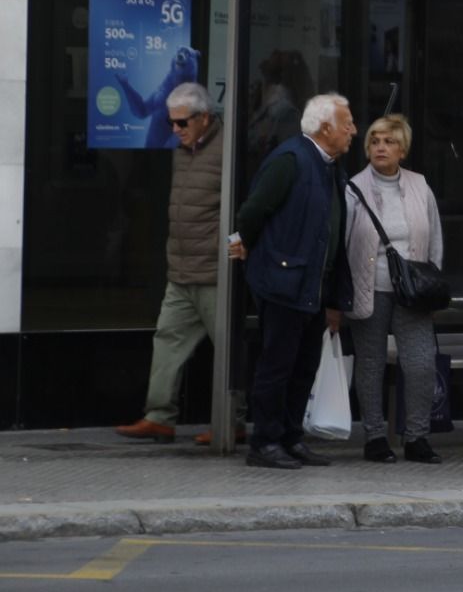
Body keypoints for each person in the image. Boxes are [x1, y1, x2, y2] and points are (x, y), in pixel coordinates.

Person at [228, 92, 357, 470]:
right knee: (277, 366)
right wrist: (251, 246)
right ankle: (264, 443)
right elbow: (252, 212)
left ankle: (290, 438)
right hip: (283, 282)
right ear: (325, 127)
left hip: (312, 286)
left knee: (303, 367)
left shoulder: (329, 165)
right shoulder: (290, 160)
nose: (353, 129)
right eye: (346, 122)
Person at [116, 83, 240, 446]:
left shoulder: (228, 150)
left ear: (204, 117)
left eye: (182, 123)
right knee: (167, 340)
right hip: (181, 270)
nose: (175, 130)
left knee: (228, 350)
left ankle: (233, 422)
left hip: (215, 273)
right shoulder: (181, 149)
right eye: (171, 123)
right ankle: (159, 417)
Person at [344, 114, 446, 465]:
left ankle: (417, 437)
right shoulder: (353, 188)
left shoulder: (420, 185)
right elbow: (343, 243)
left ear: (402, 149)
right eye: (374, 141)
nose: (380, 148)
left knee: (420, 363)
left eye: (388, 142)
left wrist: (431, 284)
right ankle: (374, 437)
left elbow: (434, 239)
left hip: (413, 292)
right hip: (368, 288)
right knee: (370, 363)